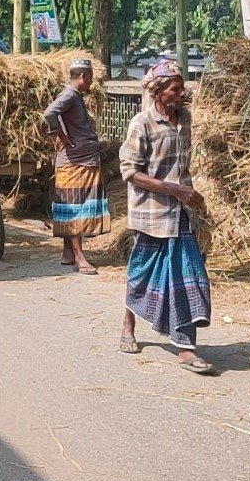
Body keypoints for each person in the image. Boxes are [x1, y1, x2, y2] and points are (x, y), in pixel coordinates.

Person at [119, 60, 213, 374]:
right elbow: (130, 171)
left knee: (189, 277)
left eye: (182, 87)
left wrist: (188, 195)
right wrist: (174, 189)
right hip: (151, 213)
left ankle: (185, 347)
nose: (181, 92)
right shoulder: (142, 123)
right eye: (175, 88)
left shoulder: (185, 118)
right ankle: (128, 322)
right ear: (159, 92)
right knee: (142, 275)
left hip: (182, 213)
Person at [43, 59, 109, 274]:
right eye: (90, 78)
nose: (91, 82)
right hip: (76, 162)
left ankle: (68, 253)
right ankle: (80, 258)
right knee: (76, 208)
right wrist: (62, 136)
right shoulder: (69, 95)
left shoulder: (74, 96)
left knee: (69, 206)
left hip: (80, 160)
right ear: (83, 76)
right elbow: (49, 113)